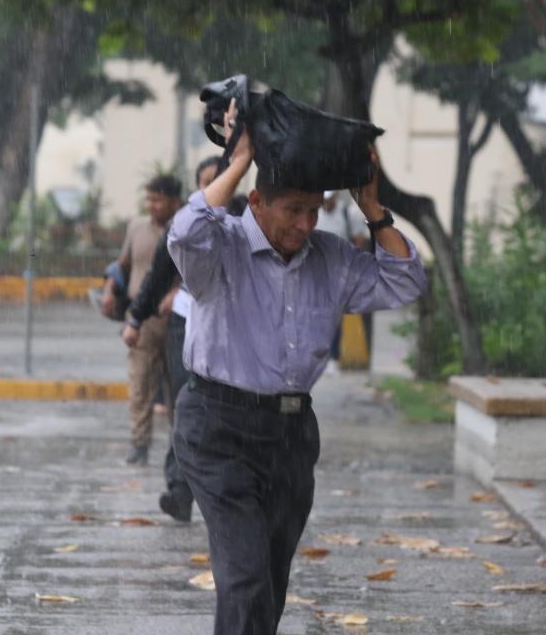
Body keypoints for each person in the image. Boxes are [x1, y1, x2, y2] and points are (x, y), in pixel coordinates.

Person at [167, 100, 426, 634]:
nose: (305, 224)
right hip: (217, 428)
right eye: (293, 211)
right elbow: (186, 232)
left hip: (290, 435)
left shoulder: (331, 258)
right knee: (244, 575)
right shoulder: (222, 249)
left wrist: (374, 209)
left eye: (315, 211)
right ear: (257, 201)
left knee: (269, 579)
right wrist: (237, 163)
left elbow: (404, 280)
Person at [123, 156, 221, 521]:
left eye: (220, 180)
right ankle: (178, 488)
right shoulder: (184, 224)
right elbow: (154, 273)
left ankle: (217, 495)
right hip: (179, 324)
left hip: (227, 332)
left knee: (216, 415)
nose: (212, 189)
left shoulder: (246, 220)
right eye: (206, 182)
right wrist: (135, 315)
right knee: (184, 405)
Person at [114, 174, 182, 466]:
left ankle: (180, 449)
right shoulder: (136, 228)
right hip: (141, 320)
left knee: (177, 389)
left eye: (158, 200)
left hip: (177, 322)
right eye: (149, 199)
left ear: (174, 201)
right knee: (140, 384)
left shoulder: (184, 229)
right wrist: (109, 291)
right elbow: (123, 264)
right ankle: (139, 444)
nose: (152, 205)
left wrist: (177, 292)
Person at [314, 190, 370, 372]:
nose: (326, 203)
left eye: (329, 199)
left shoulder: (348, 214)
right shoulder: (314, 212)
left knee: (333, 316)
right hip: (315, 272)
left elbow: (359, 240)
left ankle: (334, 357)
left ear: (335, 198)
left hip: (339, 273)